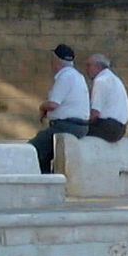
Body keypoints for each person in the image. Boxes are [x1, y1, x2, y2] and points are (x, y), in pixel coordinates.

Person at [30, 43, 89, 174]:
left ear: (56, 61)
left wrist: (42, 107)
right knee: (45, 152)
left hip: (66, 126)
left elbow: (53, 104)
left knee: (32, 149)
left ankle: (44, 181)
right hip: (79, 126)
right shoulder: (78, 76)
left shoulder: (64, 77)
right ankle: (47, 178)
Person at [86, 53, 128, 142]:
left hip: (107, 127)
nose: (86, 69)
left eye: (89, 65)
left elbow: (95, 113)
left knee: (75, 131)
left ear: (98, 67)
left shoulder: (100, 81)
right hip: (121, 129)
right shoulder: (114, 79)